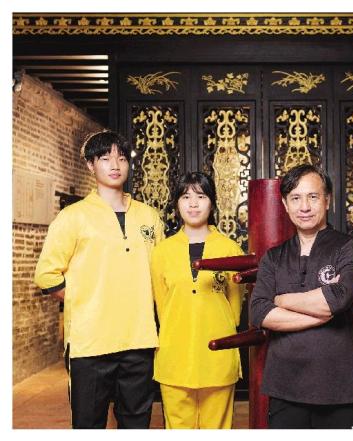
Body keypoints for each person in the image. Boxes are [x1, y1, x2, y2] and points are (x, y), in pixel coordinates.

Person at [34, 131, 164, 429]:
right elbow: (46, 274)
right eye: (105, 158)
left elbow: (161, 272)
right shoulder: (73, 216)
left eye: (122, 158)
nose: (115, 165)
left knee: (137, 423)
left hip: (140, 339)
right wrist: (86, 300)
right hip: (90, 343)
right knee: (88, 424)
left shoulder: (149, 217)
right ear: (91, 165)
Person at [250, 164, 353, 429]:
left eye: (313, 197)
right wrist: (323, 313)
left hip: (338, 386)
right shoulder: (274, 257)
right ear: (284, 204)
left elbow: (338, 299)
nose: (304, 207)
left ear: (327, 200)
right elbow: (258, 312)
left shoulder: (350, 247)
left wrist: (280, 300)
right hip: (285, 385)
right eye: (295, 198)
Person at [150, 172, 245, 429]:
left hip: (218, 356)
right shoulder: (161, 252)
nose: (193, 204)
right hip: (175, 356)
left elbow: (235, 309)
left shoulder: (230, 250)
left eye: (201, 196)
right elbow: (162, 307)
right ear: (176, 204)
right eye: (185, 197)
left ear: (212, 203)